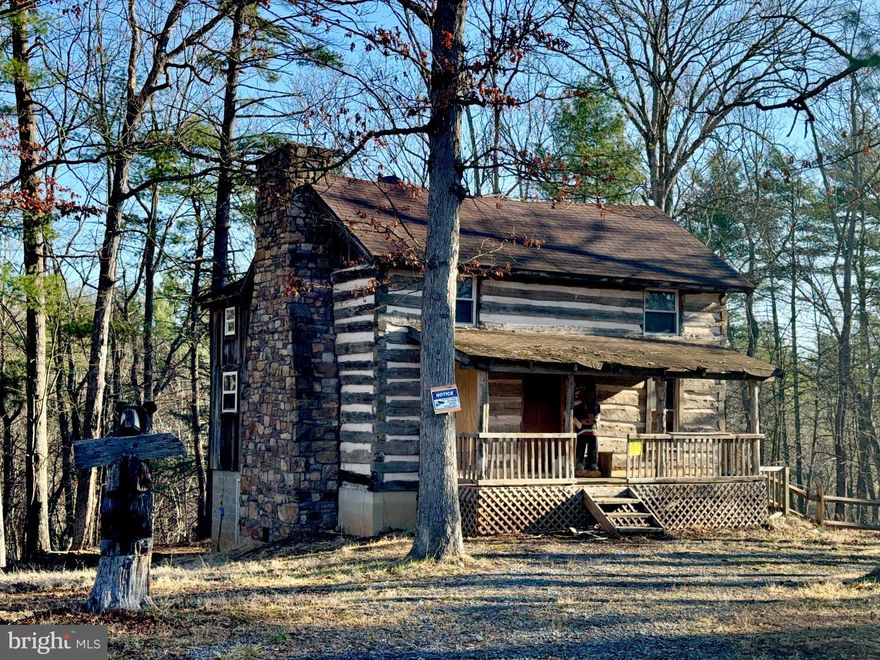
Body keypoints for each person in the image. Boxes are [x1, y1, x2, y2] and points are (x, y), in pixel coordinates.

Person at [573, 383, 601, 472]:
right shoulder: (579, 403)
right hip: (582, 429)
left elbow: (598, 414)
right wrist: (581, 422)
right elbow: (574, 415)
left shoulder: (596, 404)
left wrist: (596, 420)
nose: (591, 395)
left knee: (593, 447)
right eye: (589, 393)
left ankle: (593, 463)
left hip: (592, 429)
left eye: (593, 393)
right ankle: (579, 463)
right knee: (581, 446)